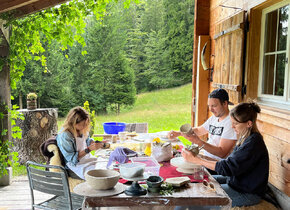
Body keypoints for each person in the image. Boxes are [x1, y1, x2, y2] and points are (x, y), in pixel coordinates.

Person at [181, 102, 269, 207]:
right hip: (236, 182)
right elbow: (229, 163)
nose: (232, 126)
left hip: (247, 193)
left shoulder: (253, 144)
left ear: (249, 124)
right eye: (231, 123)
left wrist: (197, 161)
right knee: (196, 183)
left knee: (197, 200)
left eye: (235, 124)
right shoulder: (245, 137)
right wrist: (201, 157)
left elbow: (227, 168)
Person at [169, 88, 237, 162]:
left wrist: (198, 142)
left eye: (214, 106)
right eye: (209, 106)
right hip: (206, 159)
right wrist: (178, 133)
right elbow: (199, 130)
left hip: (216, 165)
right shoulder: (214, 118)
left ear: (225, 104)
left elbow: (222, 153)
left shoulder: (231, 123)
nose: (211, 109)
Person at [56, 106, 104, 180]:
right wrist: (88, 149)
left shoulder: (81, 129)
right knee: (98, 176)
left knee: (106, 166)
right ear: (74, 123)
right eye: (83, 124)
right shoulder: (65, 135)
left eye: (86, 124)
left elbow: (86, 140)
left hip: (87, 159)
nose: (85, 126)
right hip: (74, 167)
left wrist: (92, 142)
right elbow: (72, 159)